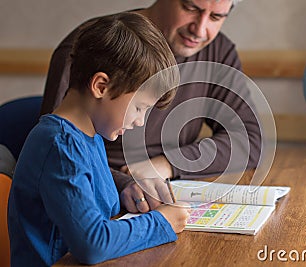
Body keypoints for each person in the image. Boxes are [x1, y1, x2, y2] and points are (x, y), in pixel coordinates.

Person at [40, 0, 262, 214]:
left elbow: (248, 139)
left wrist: (167, 164)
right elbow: (54, 153)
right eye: (191, 8)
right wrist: (126, 183)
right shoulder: (93, 46)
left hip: (162, 192)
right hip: (96, 198)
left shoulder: (217, 52)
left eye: (216, 17)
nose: (200, 29)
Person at [8, 12, 190, 266]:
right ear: (101, 86)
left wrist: (126, 190)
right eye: (139, 108)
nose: (139, 121)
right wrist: (162, 223)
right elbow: (92, 243)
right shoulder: (60, 146)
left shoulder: (88, 136)